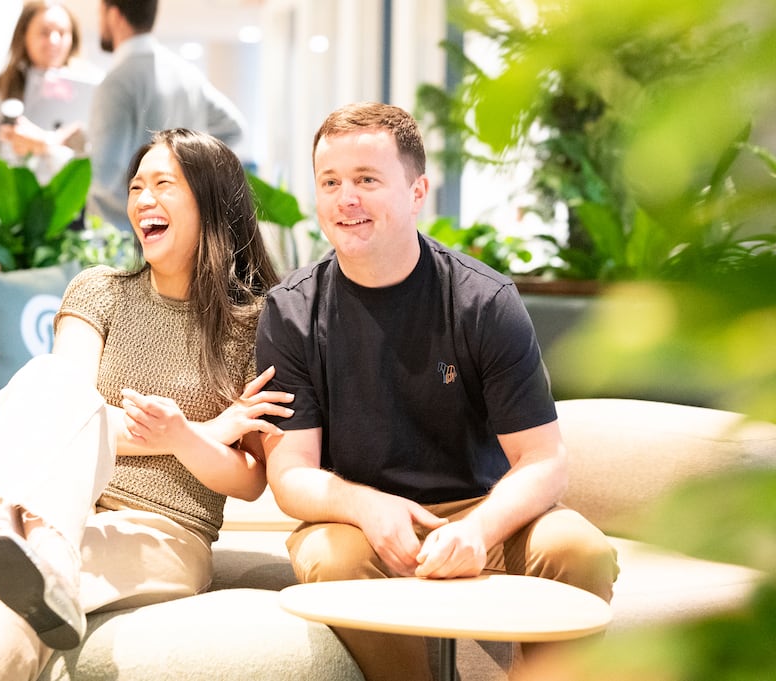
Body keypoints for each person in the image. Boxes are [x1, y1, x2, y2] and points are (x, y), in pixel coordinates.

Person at [0, 128, 290, 681]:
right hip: (57, 513)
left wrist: (182, 436)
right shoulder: (99, 290)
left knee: (8, 582)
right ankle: (47, 549)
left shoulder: (253, 325)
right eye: (135, 187)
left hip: (168, 532)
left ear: (210, 201)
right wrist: (207, 428)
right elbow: (61, 414)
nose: (142, 201)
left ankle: (42, 548)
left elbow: (250, 480)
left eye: (163, 185)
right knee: (45, 381)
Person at [254, 102, 620, 681]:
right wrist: (366, 507)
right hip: (356, 519)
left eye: (367, 180)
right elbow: (290, 474)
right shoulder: (291, 311)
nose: (345, 199)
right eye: (330, 182)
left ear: (417, 190)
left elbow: (544, 460)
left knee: (581, 551)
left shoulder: (483, 301)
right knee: (330, 559)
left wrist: (477, 530)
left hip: (479, 508)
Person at [88, 0, 248, 231]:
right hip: (184, 226)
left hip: (133, 238)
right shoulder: (187, 74)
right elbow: (234, 127)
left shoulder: (117, 82)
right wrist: (193, 166)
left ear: (113, 15)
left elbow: (103, 179)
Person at [0, 1, 100, 184]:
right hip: (13, 197)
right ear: (24, 35)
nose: (53, 41)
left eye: (62, 33)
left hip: (68, 198)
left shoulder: (92, 89)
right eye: (44, 32)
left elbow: (94, 161)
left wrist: (46, 145)